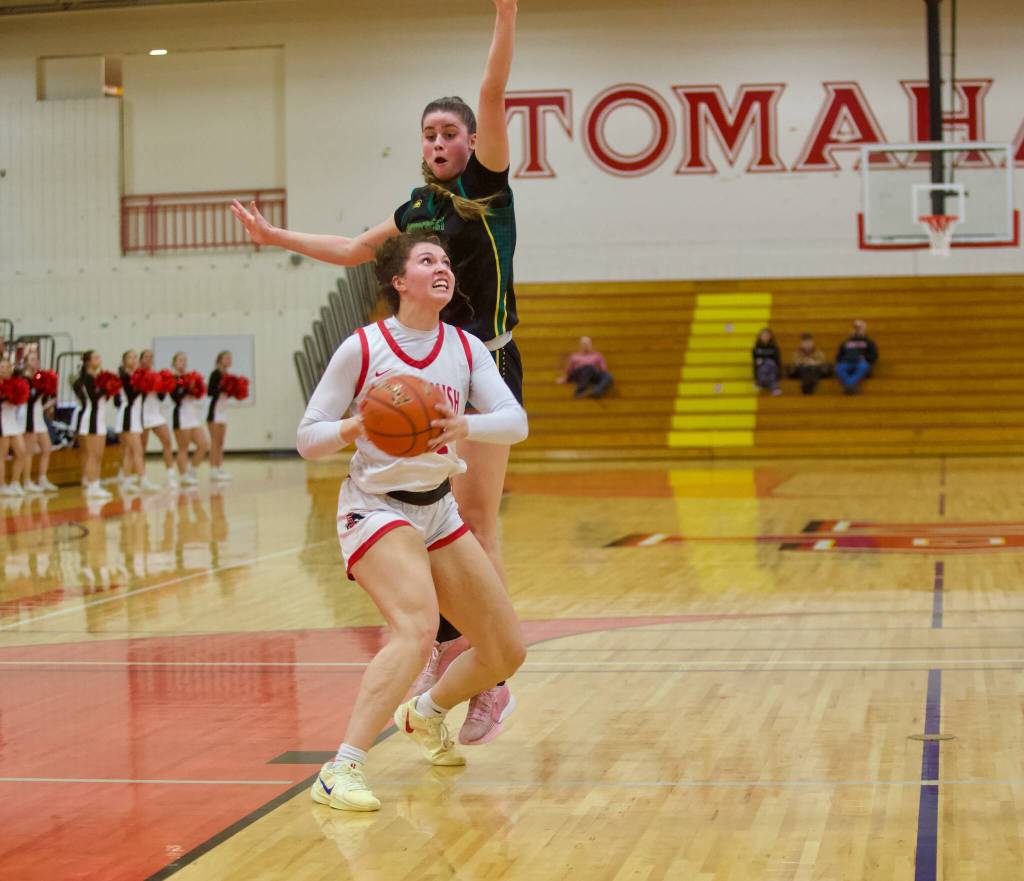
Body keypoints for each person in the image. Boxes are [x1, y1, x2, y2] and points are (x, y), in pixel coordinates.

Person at [232, 0, 521, 743]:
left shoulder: (487, 185)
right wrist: (275, 235)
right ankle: (436, 643)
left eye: (450, 132)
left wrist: (506, 18)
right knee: (428, 511)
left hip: (485, 360)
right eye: (429, 134)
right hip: (428, 371)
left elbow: (492, 92)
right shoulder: (419, 205)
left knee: (478, 516)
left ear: (470, 141)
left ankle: (486, 672)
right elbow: (357, 248)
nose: (439, 142)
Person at [298, 234, 527, 811]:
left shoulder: (466, 348)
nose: (443, 268)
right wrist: (351, 430)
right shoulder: (363, 348)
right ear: (399, 281)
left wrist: (466, 427)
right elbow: (307, 438)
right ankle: (341, 768)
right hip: (374, 506)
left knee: (505, 652)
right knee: (418, 628)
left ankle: (425, 716)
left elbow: (515, 421)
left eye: (447, 261)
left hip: (437, 507)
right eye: (428, 261)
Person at [71, 350, 111, 500]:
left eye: (99, 357)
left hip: (99, 419)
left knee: (98, 455)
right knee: (92, 456)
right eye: (95, 357)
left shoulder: (96, 377)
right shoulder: (87, 378)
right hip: (90, 420)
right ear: (88, 362)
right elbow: (93, 397)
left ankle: (95, 483)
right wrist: (107, 386)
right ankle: (93, 486)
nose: (99, 359)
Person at [116, 350, 156, 493]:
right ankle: (143, 480)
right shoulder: (124, 377)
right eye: (130, 357)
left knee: (129, 451)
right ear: (124, 361)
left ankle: (126, 481)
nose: (133, 360)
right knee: (138, 450)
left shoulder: (137, 375)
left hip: (136, 415)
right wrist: (143, 383)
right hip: (128, 415)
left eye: (134, 357)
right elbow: (132, 396)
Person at [139, 348, 178, 488]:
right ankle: (142, 478)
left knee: (167, 442)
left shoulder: (157, 374)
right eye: (146, 357)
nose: (149, 359)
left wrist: (164, 385)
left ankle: (171, 476)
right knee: (141, 448)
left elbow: (161, 397)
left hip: (156, 414)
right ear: (141, 360)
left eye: (151, 357)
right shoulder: (138, 375)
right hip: (142, 415)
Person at [169, 352, 209, 486]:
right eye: (180, 360)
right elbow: (175, 396)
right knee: (183, 447)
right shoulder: (173, 378)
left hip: (192, 414)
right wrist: (188, 388)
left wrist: (197, 388)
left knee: (203, 444)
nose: (183, 362)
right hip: (180, 415)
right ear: (174, 363)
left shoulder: (190, 377)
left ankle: (192, 470)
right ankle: (183, 476)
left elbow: (197, 393)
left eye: (185, 360)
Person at [21, 349, 59, 493]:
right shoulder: (23, 378)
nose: (35, 362)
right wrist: (41, 390)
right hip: (27, 416)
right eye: (32, 359)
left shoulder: (39, 377)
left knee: (47, 447)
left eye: (37, 359)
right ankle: (26, 481)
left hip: (38, 415)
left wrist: (48, 402)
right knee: (29, 451)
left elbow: (42, 398)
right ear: (25, 362)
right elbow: (28, 399)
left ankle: (42, 478)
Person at [0, 353, 30, 498]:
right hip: (1, 423)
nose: (5, 369)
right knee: (2, 456)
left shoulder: (15, 383)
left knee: (22, 452)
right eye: (2, 367)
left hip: (12, 421)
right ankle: (2, 485)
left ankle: (15, 482)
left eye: (7, 366)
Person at [206, 350, 233, 483]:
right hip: (215, 412)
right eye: (226, 358)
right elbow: (210, 391)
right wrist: (222, 388)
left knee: (221, 442)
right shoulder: (215, 374)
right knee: (215, 442)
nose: (229, 360)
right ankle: (213, 470)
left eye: (230, 358)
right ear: (220, 360)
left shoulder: (228, 375)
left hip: (223, 411)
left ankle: (220, 467)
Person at [836, 319, 879, 394]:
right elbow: (838, 356)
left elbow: (874, 355)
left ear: (864, 329)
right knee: (839, 367)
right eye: (856, 328)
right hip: (847, 363)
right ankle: (851, 385)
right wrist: (844, 359)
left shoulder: (868, 341)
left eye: (860, 328)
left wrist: (865, 358)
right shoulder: (846, 342)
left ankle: (849, 385)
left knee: (864, 366)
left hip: (861, 363)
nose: (857, 330)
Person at [752, 328, 782, 395]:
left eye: (767, 335)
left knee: (769, 363)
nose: (766, 337)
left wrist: (764, 360)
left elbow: (777, 361)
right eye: (764, 335)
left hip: (773, 368)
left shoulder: (774, 347)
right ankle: (774, 387)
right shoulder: (756, 348)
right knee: (767, 366)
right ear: (760, 336)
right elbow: (755, 362)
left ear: (770, 336)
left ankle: (760, 382)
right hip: (761, 369)